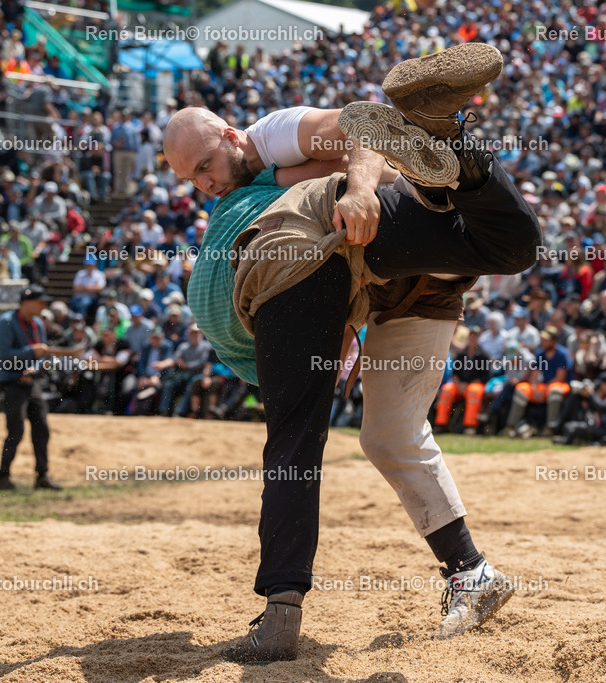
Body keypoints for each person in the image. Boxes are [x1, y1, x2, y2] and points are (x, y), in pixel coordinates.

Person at [165, 44, 541, 661]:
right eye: (193, 179)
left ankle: (446, 147)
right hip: (380, 281)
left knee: (510, 247)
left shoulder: (279, 134)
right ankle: (471, 573)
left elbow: (368, 122)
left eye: (206, 165)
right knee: (388, 436)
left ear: (231, 135)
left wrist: (361, 186)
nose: (205, 183)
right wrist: (335, 356)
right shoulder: (257, 180)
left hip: (367, 239)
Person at [0, 285, 69, 491]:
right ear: (27, 302)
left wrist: (35, 368)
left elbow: (42, 355)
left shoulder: (37, 324)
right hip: (12, 382)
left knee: (42, 427)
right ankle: (3, 476)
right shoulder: (6, 322)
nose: (43, 306)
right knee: (15, 430)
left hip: (31, 382)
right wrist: (31, 352)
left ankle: (42, 475)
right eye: (40, 302)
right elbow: (4, 356)